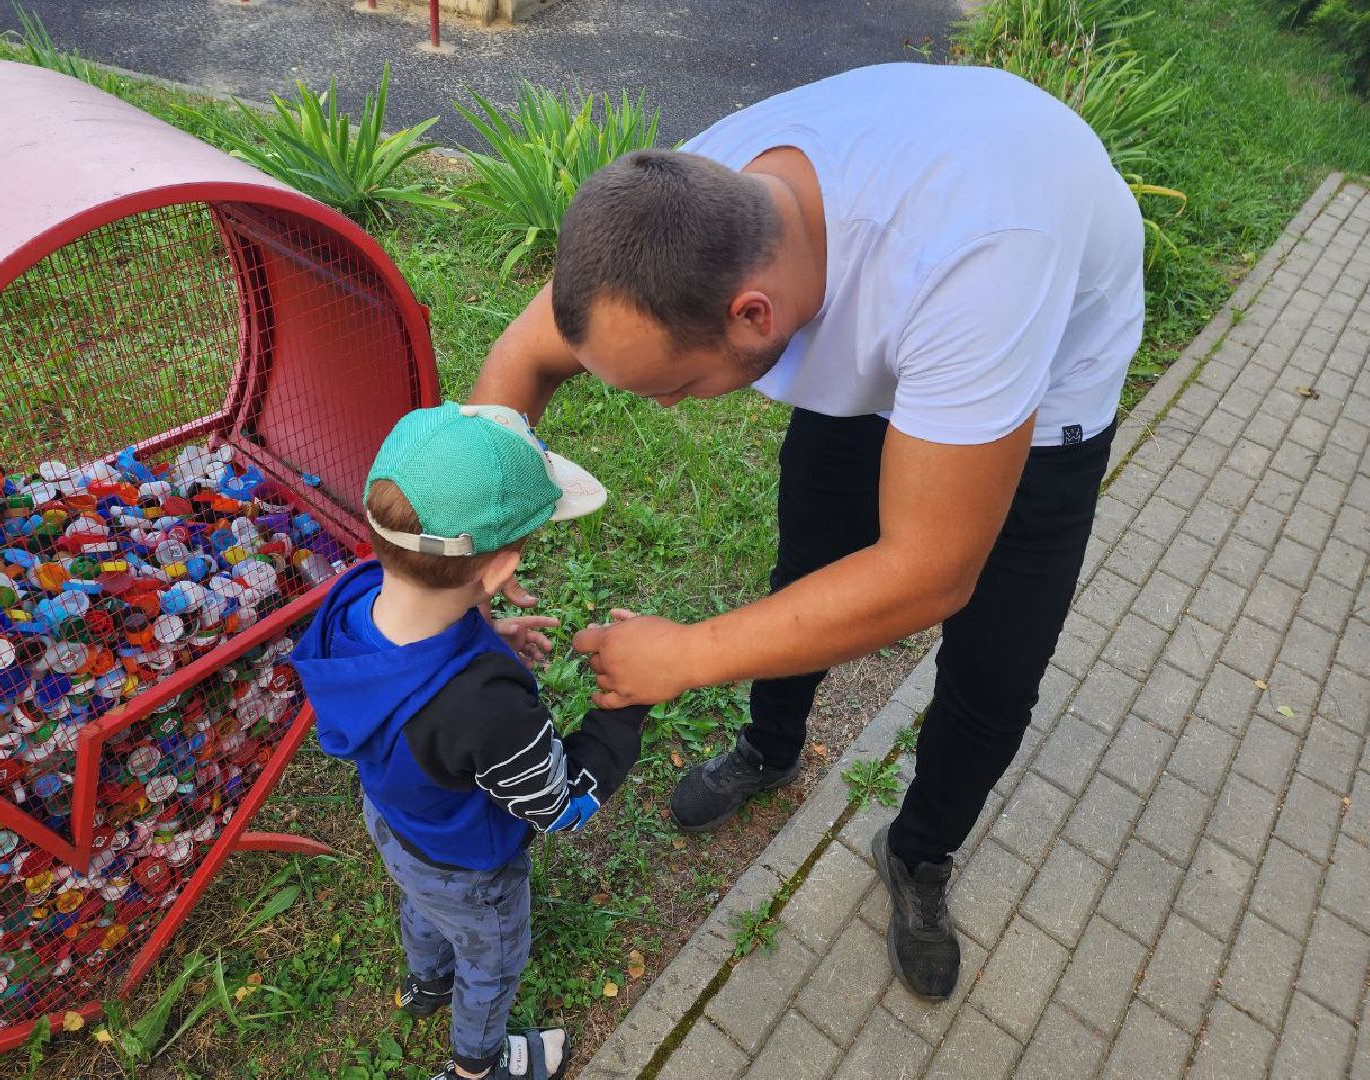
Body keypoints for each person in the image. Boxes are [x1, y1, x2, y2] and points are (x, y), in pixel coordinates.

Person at [468, 63, 1144, 1003]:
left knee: (995, 668)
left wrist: (687, 656)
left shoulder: (980, 256)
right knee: (808, 574)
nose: (662, 408)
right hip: (887, 315)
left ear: (754, 313)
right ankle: (770, 749)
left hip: (1035, 400)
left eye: (671, 386)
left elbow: (926, 573)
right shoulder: (690, 204)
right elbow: (523, 355)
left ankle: (920, 854)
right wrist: (464, 542)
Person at [291, 402, 648, 1080]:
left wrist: (486, 633)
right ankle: (475, 1068)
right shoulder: (486, 709)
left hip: (394, 824)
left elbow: (417, 656)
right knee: (492, 965)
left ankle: (425, 982)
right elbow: (561, 804)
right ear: (497, 568)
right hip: (470, 869)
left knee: (422, 905)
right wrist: (627, 706)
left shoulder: (351, 600)